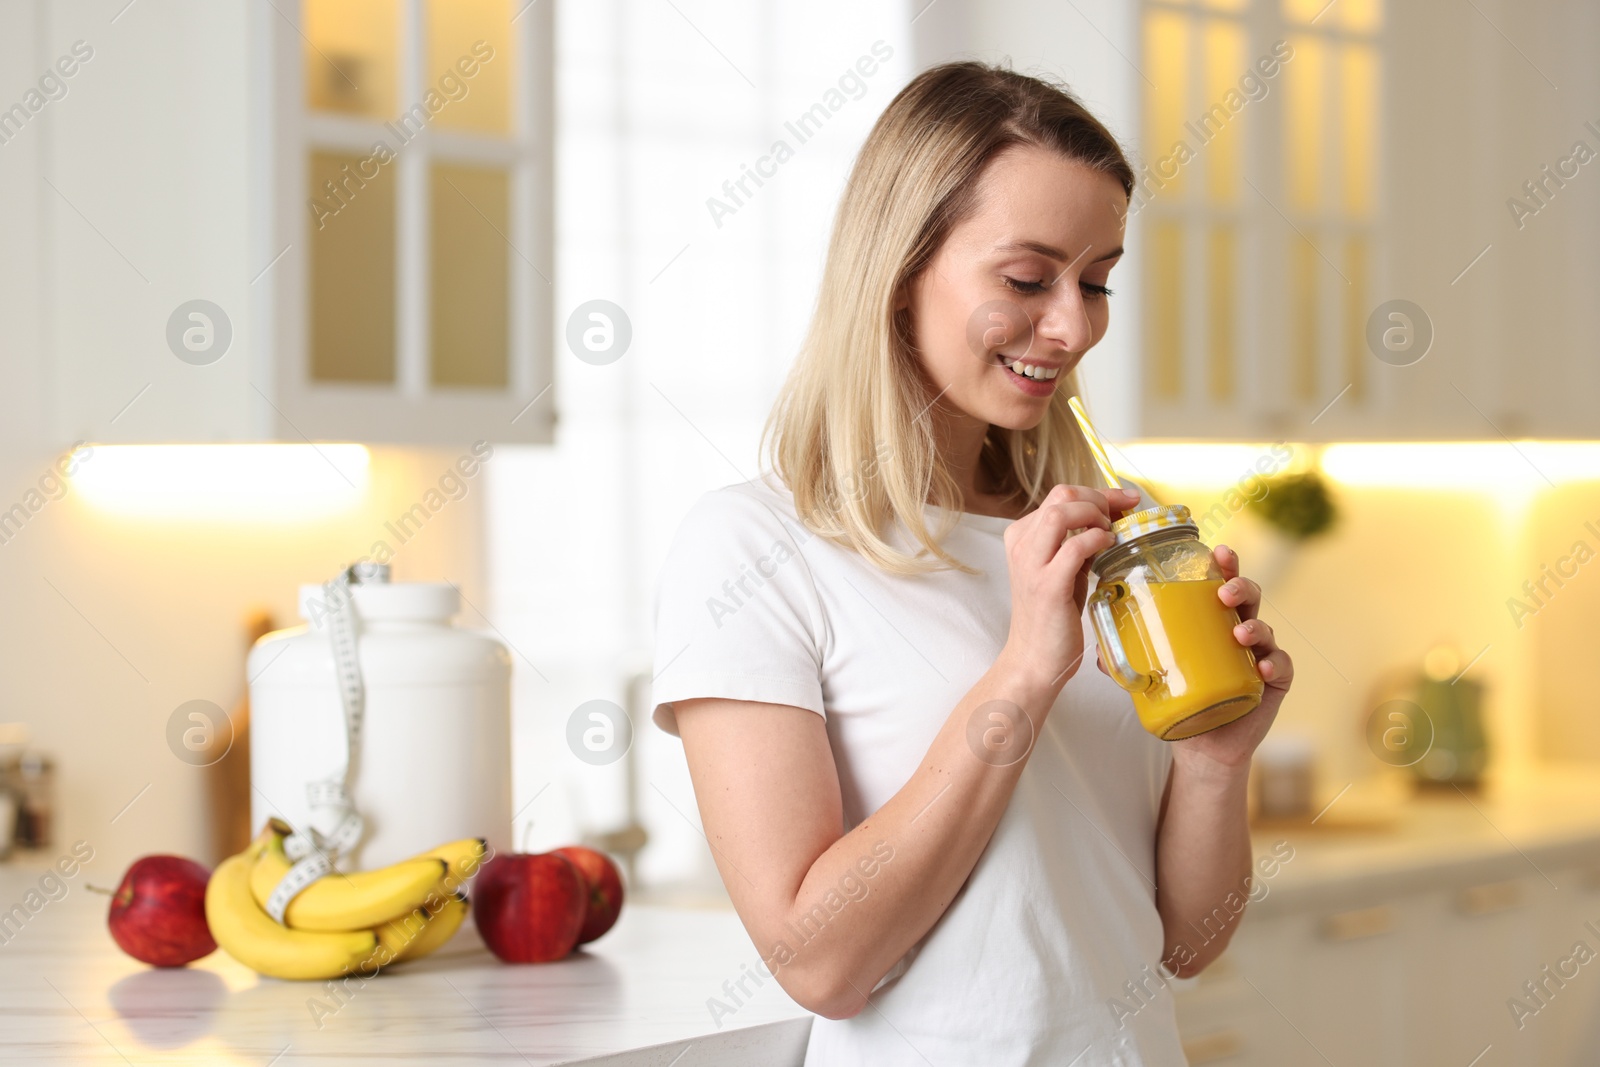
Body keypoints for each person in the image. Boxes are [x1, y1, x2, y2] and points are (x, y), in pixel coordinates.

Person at [650, 61, 1293, 1065]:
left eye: (1097, 279)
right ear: (899, 267)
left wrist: (1216, 762)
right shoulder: (754, 548)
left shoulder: (1092, 545)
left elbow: (1184, 947)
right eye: (1028, 278)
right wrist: (1026, 669)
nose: (1074, 325)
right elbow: (821, 964)